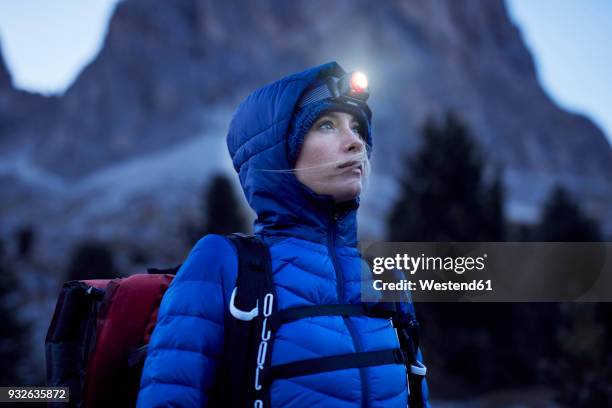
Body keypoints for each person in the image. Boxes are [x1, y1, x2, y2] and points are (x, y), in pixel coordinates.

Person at [136, 61, 429, 407]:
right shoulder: (223, 265)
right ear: (276, 151)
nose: (355, 143)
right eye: (326, 125)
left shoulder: (385, 281)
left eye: (358, 128)